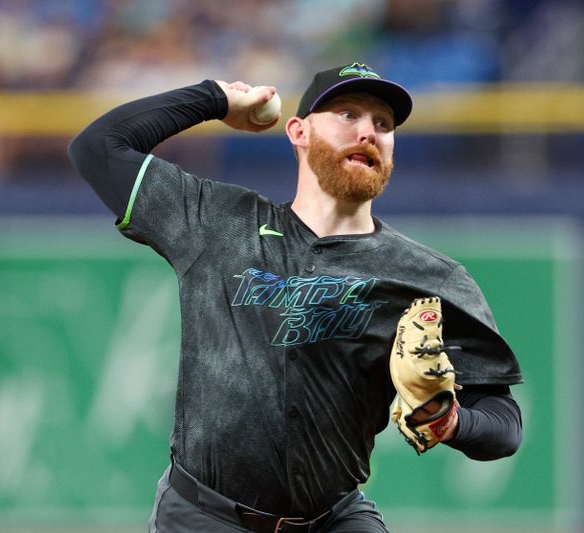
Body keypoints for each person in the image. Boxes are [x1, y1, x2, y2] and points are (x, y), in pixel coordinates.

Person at [68, 62, 523, 533]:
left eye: (383, 124)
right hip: (205, 518)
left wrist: (449, 421)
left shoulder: (429, 278)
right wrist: (216, 99)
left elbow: (502, 423)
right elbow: (97, 147)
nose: (368, 131)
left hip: (333, 520)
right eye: (347, 114)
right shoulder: (218, 224)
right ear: (299, 131)